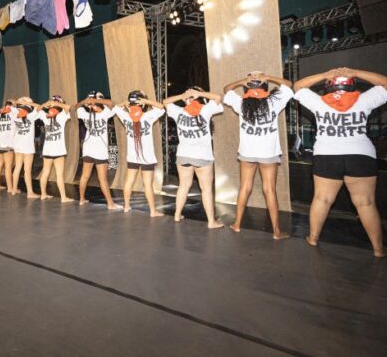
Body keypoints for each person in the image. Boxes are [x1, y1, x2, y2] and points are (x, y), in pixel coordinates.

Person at [293, 67, 387, 258]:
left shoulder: (320, 102)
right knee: (365, 203)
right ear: (352, 84)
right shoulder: (363, 99)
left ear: (329, 86)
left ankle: (313, 238)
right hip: (360, 156)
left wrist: (324, 74)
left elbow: (298, 86)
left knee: (322, 199)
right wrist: (355, 72)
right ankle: (378, 249)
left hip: (327, 155)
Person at [222, 71, 294, 240]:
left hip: (247, 153)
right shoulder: (274, 101)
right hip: (268, 154)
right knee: (269, 190)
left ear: (247, 88)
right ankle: (276, 232)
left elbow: (227, 89)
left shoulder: (241, 103)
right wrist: (267, 77)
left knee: (244, 187)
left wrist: (243, 81)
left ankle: (237, 224)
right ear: (265, 86)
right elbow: (289, 84)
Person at [163, 86, 225, 228]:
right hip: (202, 157)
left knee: (183, 186)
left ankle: (177, 215)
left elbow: (165, 101)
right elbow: (217, 97)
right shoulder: (206, 109)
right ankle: (211, 222)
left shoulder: (178, 111)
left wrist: (182, 96)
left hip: (183, 155)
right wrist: (197, 94)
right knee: (206, 189)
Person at [113, 90, 166, 218]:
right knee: (148, 185)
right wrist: (146, 101)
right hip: (147, 157)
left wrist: (126, 103)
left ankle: (126, 206)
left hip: (132, 156)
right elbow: (162, 108)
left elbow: (115, 108)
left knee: (129, 181)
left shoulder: (126, 116)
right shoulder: (148, 115)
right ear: (142, 104)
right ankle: (153, 211)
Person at [73, 92, 121, 209]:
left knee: (84, 176)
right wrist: (92, 102)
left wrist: (85, 101)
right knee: (102, 179)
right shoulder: (104, 113)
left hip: (88, 150)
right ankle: (110, 204)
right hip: (100, 151)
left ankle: (81, 199)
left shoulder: (84, 113)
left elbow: (75, 107)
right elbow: (111, 103)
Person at [38, 95, 73, 202]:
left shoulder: (45, 116)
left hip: (48, 150)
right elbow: (68, 107)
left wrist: (46, 104)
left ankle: (43, 194)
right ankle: (63, 197)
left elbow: (38, 109)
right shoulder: (61, 116)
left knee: (45, 172)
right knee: (59, 175)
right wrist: (55, 103)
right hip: (58, 150)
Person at [10, 97, 44, 198]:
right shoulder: (31, 116)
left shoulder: (14, 114)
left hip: (17, 144)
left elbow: (12, 104)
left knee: (17, 167)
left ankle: (13, 189)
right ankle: (30, 192)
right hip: (27, 146)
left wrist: (18, 102)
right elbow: (39, 107)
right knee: (27, 170)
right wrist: (30, 103)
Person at [0, 100, 17, 190]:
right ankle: (10, 188)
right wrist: (14, 104)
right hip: (7, 143)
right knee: (8, 167)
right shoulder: (13, 114)